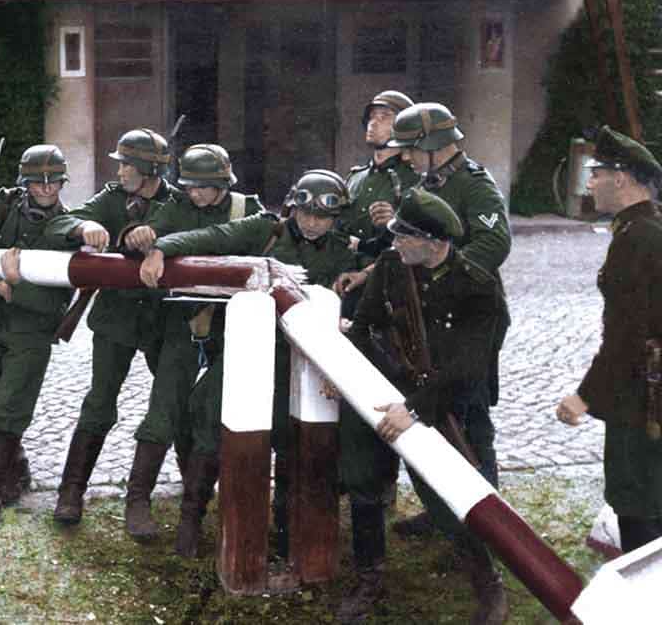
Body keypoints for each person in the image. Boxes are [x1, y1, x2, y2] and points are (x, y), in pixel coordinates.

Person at [140, 168, 361, 558]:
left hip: (300, 361)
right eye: (305, 213)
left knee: (293, 440)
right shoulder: (265, 231)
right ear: (292, 208)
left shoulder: (345, 250)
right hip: (247, 350)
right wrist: (163, 247)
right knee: (208, 420)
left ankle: (284, 524)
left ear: (336, 217)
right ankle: (193, 515)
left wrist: (362, 274)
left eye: (323, 216)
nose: (312, 222)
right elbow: (212, 237)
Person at [340, 188, 508, 624]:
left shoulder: (477, 286)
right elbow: (363, 327)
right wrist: (346, 379)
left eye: (404, 237)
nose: (393, 244)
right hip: (385, 393)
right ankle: (369, 578)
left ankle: (487, 586)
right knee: (363, 481)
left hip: (438, 405)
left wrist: (412, 409)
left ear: (434, 242)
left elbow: (468, 368)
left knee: (450, 495)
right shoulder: (393, 267)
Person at [376, 101, 512, 538]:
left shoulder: (474, 186)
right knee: (432, 409)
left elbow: (495, 243)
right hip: (430, 316)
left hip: (469, 316)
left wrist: (445, 280)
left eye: (413, 149)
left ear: (435, 147)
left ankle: (487, 527)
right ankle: (444, 509)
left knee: (469, 419)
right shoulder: (426, 181)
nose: (407, 157)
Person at [127, 143, 264, 548]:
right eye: (190, 187)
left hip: (232, 326)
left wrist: (166, 246)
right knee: (163, 410)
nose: (197, 194)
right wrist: (144, 239)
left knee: (209, 418)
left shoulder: (247, 208)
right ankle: (137, 501)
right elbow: (148, 234)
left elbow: (226, 237)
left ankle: (193, 513)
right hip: (181, 322)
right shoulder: (175, 207)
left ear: (223, 183)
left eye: (205, 187)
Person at [47, 128, 177, 526]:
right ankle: (71, 491)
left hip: (164, 319)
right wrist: (81, 228)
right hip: (116, 317)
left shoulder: (179, 202)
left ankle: (144, 499)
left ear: (147, 170)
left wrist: (158, 240)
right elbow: (63, 221)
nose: (119, 171)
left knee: (173, 405)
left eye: (126, 164)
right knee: (99, 402)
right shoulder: (112, 198)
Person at [0, 144, 77, 535]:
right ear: (24, 183)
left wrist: (17, 288)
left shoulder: (67, 225)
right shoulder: (3, 206)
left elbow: (61, 295)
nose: (46, 188)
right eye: (38, 181)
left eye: (54, 180)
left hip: (32, 327)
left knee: (9, 410)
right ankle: (15, 463)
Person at [557, 126, 662, 554]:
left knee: (637, 503)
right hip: (647, 390)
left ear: (621, 178)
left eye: (597, 173)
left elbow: (626, 336)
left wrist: (584, 396)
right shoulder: (644, 230)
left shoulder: (637, 240)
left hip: (642, 397)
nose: (590, 182)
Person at [339, 90, 419, 260]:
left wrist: (397, 223)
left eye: (384, 117)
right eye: (372, 116)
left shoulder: (416, 179)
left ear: (404, 126)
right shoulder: (354, 178)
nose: (373, 123)